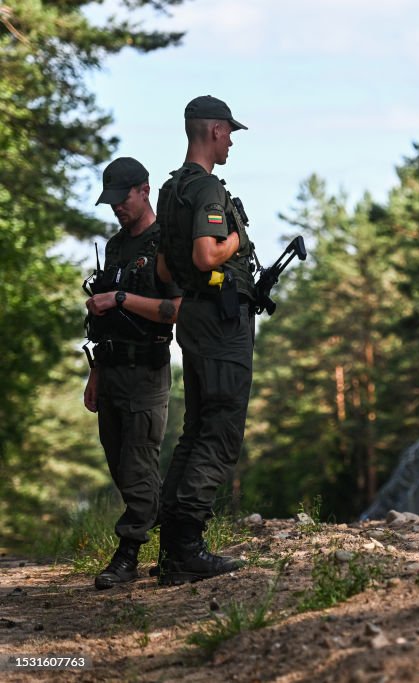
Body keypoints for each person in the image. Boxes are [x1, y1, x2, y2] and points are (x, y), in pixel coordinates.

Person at [154, 95, 255, 585]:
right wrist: (237, 237)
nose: (232, 139)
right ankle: (187, 548)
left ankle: (172, 547)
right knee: (220, 431)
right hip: (219, 323)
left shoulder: (172, 191)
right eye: (229, 131)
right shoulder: (208, 189)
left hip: (192, 318)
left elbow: (164, 268)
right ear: (213, 130)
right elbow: (203, 255)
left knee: (196, 428)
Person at [84, 156, 183, 590]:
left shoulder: (166, 243)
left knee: (139, 465)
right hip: (112, 368)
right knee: (121, 467)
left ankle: (127, 555)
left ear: (143, 190)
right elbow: (104, 319)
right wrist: (95, 373)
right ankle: (179, 535)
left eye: (121, 199)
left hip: (147, 372)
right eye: (111, 203)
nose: (116, 209)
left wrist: (121, 298)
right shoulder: (117, 245)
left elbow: (176, 310)